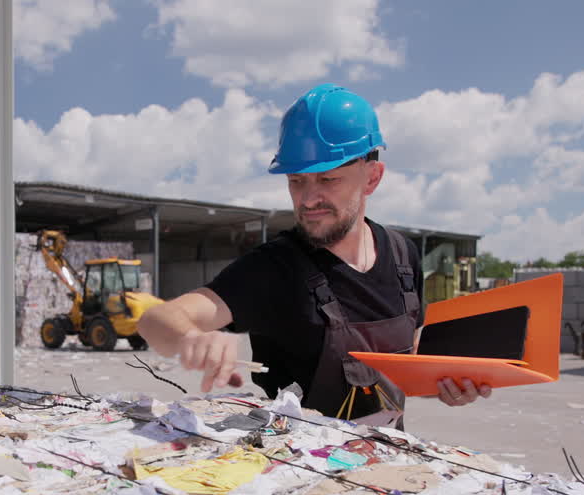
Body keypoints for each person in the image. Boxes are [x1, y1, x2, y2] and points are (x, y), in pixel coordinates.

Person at [138, 83, 490, 426]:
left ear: (372, 178)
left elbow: (406, 363)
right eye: (296, 181)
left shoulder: (402, 255)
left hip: (384, 466)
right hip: (304, 473)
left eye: (327, 180)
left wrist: (445, 384)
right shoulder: (274, 268)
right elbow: (155, 321)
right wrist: (191, 337)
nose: (307, 199)